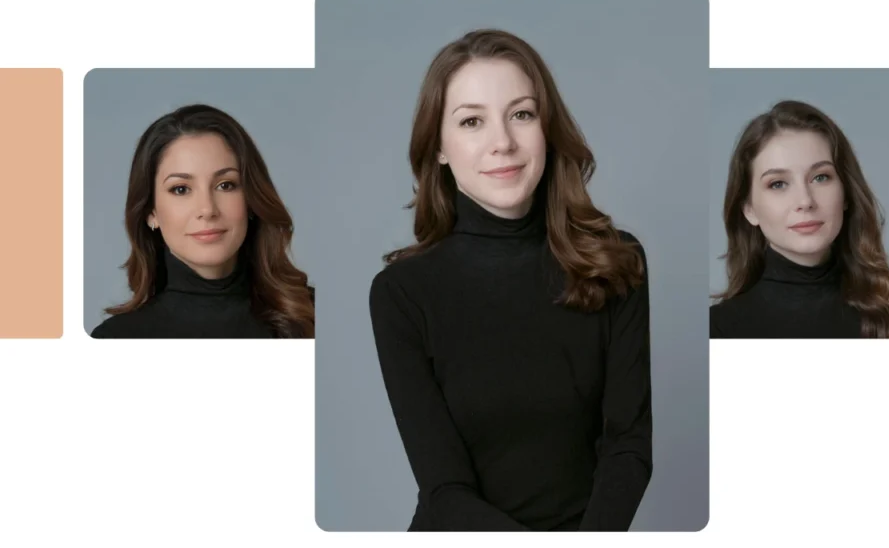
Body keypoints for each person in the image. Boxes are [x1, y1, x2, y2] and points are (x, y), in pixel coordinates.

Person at [367, 29, 653, 531]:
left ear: (547, 128)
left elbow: (628, 447)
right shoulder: (402, 293)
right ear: (438, 148)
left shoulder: (616, 261)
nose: (503, 142)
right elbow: (444, 488)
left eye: (521, 114)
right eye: (472, 121)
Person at [710, 99, 889, 339]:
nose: (805, 201)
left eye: (821, 177)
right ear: (749, 209)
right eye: (778, 184)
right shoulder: (719, 328)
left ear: (846, 192)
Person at [91, 104, 315, 339]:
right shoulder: (114, 340)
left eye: (225, 185)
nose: (207, 209)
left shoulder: (314, 316)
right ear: (151, 212)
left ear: (251, 199)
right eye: (180, 189)